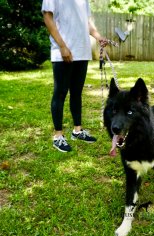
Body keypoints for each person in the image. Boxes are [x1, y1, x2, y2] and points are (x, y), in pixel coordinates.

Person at [42, 0, 107, 152]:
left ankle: (77, 131)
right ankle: (58, 136)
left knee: (76, 93)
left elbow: (87, 23)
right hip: (64, 51)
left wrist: (98, 37)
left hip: (82, 51)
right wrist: (63, 46)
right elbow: (47, 17)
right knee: (60, 93)